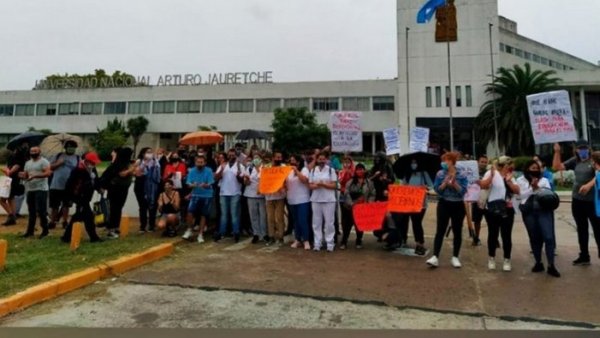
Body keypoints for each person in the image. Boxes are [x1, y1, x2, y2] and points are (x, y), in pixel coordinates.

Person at [553, 140, 599, 265]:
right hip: (577, 200)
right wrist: (557, 152)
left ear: (589, 149)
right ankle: (584, 255)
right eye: (580, 148)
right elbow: (557, 167)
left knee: (597, 229)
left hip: (593, 201)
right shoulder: (575, 161)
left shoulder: (594, 160)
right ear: (576, 150)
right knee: (581, 228)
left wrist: (589, 185)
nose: (582, 150)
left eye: (585, 148)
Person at [517, 160, 560, 277]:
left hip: (544, 211)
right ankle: (538, 262)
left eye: (537, 168)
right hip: (528, 211)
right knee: (534, 238)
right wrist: (532, 188)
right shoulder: (520, 180)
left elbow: (548, 194)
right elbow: (520, 195)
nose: (535, 170)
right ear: (526, 169)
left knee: (548, 237)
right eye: (532, 168)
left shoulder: (544, 180)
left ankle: (551, 265)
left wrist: (537, 187)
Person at [427, 152, 468, 268]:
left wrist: (454, 184)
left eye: (446, 160)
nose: (444, 163)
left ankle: (455, 257)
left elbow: (463, 192)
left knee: (457, 230)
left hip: (458, 205)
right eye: (443, 160)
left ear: (452, 161)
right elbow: (437, 190)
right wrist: (445, 183)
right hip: (444, 204)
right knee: (440, 230)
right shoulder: (440, 173)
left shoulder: (462, 174)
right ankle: (435, 256)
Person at [479, 156, 520, 271]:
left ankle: (507, 259)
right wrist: (491, 176)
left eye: (512, 166)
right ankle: (491, 258)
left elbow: (517, 191)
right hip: (493, 208)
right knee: (493, 234)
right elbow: (483, 185)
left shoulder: (510, 176)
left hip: (507, 209)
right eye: (509, 165)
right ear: (503, 165)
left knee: (506, 235)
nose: (511, 167)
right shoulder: (492, 173)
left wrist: (509, 181)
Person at [61, 152, 103, 243]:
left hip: (86, 197)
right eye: (92, 162)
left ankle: (66, 237)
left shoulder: (92, 169)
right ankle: (93, 237)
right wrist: (68, 199)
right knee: (88, 217)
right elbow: (69, 185)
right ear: (87, 161)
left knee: (77, 217)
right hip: (79, 197)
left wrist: (98, 188)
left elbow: (95, 180)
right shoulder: (78, 170)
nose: (94, 164)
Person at [397, 159, 433, 256]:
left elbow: (430, 185)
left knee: (416, 222)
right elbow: (402, 186)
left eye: (415, 162)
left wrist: (425, 188)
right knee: (404, 221)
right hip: (409, 202)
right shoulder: (407, 174)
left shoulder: (423, 173)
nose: (414, 164)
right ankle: (403, 240)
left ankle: (419, 243)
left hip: (421, 203)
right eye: (412, 162)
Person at [100, 147, 135, 239]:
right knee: (113, 208)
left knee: (118, 208)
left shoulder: (125, 163)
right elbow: (121, 174)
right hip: (115, 189)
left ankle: (115, 226)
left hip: (123, 189)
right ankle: (110, 229)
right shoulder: (118, 164)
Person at [341, 163, 375, 250]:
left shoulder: (369, 182)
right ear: (355, 171)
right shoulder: (350, 182)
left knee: (359, 225)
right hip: (350, 208)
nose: (360, 171)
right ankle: (344, 241)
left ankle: (359, 240)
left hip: (362, 208)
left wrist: (369, 202)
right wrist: (352, 204)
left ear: (364, 170)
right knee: (347, 226)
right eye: (358, 169)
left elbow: (372, 194)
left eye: (361, 169)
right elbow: (346, 193)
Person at [309, 152, 338, 252]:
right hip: (316, 199)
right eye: (319, 159)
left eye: (323, 159)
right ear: (317, 160)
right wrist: (318, 185)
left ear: (326, 160)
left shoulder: (331, 170)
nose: (321, 161)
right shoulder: (313, 170)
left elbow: (334, 186)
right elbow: (310, 185)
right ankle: (317, 243)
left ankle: (330, 243)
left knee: (329, 223)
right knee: (316, 223)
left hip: (329, 199)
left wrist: (323, 185)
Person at [214, 149, 245, 243]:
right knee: (224, 215)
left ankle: (236, 232)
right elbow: (216, 178)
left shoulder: (240, 166)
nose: (231, 157)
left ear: (236, 156)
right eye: (230, 155)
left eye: (233, 155)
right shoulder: (223, 165)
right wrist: (222, 169)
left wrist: (239, 175)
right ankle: (221, 232)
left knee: (234, 214)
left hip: (235, 192)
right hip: (223, 193)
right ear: (227, 156)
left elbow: (242, 180)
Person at [20, 146, 51, 238]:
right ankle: (30, 231)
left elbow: (48, 173)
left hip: (41, 189)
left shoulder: (44, 161)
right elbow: (26, 175)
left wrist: (35, 176)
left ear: (39, 152)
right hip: (30, 189)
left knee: (41, 211)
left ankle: (45, 230)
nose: (33, 152)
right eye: (31, 151)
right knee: (31, 211)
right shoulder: (27, 163)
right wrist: (22, 175)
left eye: (35, 151)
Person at [49, 140, 80, 230]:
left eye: (73, 147)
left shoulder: (77, 158)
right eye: (69, 147)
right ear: (65, 147)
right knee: (54, 205)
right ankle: (52, 221)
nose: (71, 149)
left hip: (69, 186)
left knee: (66, 205)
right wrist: (59, 163)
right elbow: (49, 167)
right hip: (56, 185)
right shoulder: (58, 156)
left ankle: (65, 221)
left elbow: (79, 171)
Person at [182, 155, 214, 243]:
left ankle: (200, 234)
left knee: (203, 215)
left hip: (207, 195)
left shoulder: (209, 170)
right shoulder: (192, 170)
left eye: (201, 162)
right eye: (198, 162)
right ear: (195, 162)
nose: (199, 164)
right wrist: (193, 185)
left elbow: (210, 183)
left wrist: (205, 185)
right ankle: (189, 230)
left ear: (205, 163)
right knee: (190, 212)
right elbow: (188, 183)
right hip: (195, 194)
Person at [286, 154, 312, 250]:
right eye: (291, 160)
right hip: (292, 199)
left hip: (303, 200)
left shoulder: (304, 169)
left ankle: (306, 240)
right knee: (295, 221)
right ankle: (297, 239)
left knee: (303, 220)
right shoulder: (288, 171)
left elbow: (305, 180)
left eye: (294, 160)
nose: (292, 162)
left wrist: (296, 170)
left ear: (298, 162)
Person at [134, 147, 162, 233]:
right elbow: (137, 173)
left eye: (151, 152)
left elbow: (158, 177)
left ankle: (151, 226)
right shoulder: (139, 162)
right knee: (143, 207)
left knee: (153, 206)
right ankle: (142, 226)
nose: (150, 154)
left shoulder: (156, 162)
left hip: (153, 187)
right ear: (143, 154)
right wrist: (144, 164)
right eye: (147, 152)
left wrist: (154, 164)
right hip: (141, 188)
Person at [243, 153, 267, 244]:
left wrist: (258, 169)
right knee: (253, 215)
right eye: (255, 158)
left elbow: (265, 179)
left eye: (258, 158)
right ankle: (256, 233)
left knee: (263, 215)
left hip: (262, 195)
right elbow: (246, 183)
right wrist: (246, 180)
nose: (256, 159)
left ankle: (264, 234)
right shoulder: (249, 168)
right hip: (250, 194)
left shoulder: (264, 168)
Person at [264, 151, 287, 246]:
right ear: (273, 158)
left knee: (280, 217)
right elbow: (262, 179)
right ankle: (271, 237)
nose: (279, 159)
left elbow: (286, 179)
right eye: (277, 157)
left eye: (280, 157)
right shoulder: (266, 167)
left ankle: (281, 237)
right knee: (270, 218)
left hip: (280, 196)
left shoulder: (284, 167)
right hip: (269, 197)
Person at [1, 145, 27, 226]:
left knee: (2, 199)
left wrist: (3, 169)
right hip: (12, 181)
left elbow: (10, 172)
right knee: (10, 198)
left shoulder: (18, 160)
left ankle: (11, 215)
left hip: (13, 181)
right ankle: (13, 216)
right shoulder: (15, 158)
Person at [471, 155, 489, 246]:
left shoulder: (489, 173)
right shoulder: (473, 172)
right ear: (478, 162)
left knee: (491, 221)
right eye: (482, 162)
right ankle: (476, 238)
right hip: (476, 200)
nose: (484, 164)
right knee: (477, 221)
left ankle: (494, 239)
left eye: (485, 162)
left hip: (488, 200)